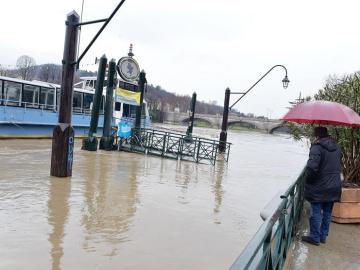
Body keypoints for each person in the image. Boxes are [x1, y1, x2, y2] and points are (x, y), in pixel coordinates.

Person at [301, 126, 342, 246]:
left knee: (316, 212)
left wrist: (309, 181)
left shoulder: (317, 147)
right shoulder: (337, 147)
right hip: (334, 185)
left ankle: (314, 237)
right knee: (328, 212)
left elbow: (312, 167)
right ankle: (323, 236)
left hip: (320, 186)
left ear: (317, 135)